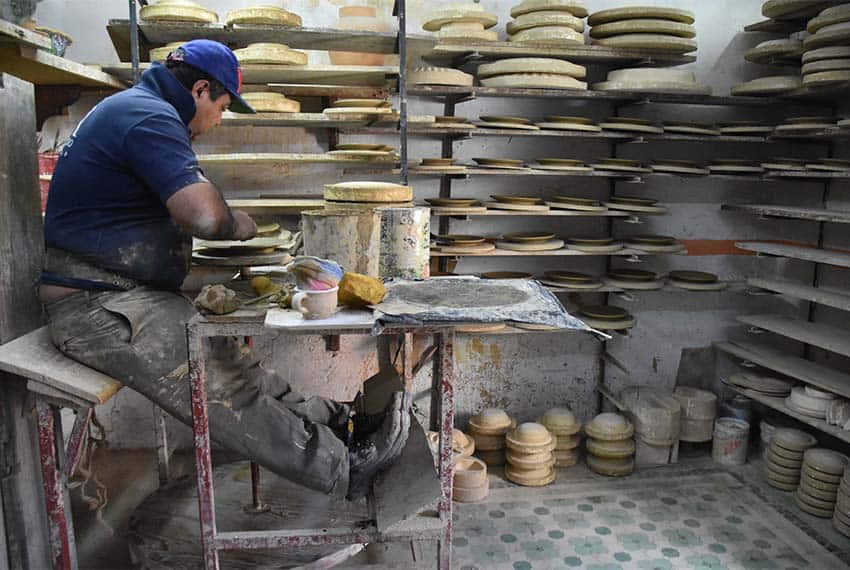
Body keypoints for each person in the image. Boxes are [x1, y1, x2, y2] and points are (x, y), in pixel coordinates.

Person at [39, 39, 408, 499]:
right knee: (219, 392)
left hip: (128, 296)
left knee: (240, 368)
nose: (219, 120)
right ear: (199, 89)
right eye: (223, 106)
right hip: (98, 308)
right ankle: (346, 466)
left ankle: (345, 421)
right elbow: (205, 217)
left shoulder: (138, 109)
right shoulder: (148, 116)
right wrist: (241, 225)